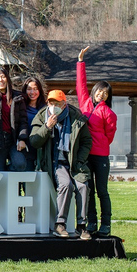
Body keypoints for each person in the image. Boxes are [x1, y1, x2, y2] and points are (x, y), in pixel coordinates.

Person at [29, 89, 93, 240]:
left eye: (57, 103)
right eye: (51, 102)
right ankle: (60, 224)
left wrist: (79, 159)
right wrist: (47, 127)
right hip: (55, 163)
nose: (54, 105)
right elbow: (34, 141)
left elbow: (86, 141)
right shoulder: (42, 116)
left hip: (74, 162)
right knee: (66, 185)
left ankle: (82, 225)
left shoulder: (76, 117)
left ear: (64, 104)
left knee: (83, 186)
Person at [77, 46, 118, 237]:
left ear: (108, 97)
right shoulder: (84, 102)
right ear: (94, 91)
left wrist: (100, 143)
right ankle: (91, 222)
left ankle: (106, 223)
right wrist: (80, 62)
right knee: (89, 190)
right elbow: (80, 84)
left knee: (102, 190)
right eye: (99, 91)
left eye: (105, 94)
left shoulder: (109, 113)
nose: (101, 95)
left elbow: (110, 135)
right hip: (86, 154)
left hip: (100, 156)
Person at [20, 76, 48, 172]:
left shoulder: (45, 109)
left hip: (40, 149)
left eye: (35, 89)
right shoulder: (20, 106)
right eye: (29, 89)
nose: (32, 92)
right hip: (24, 147)